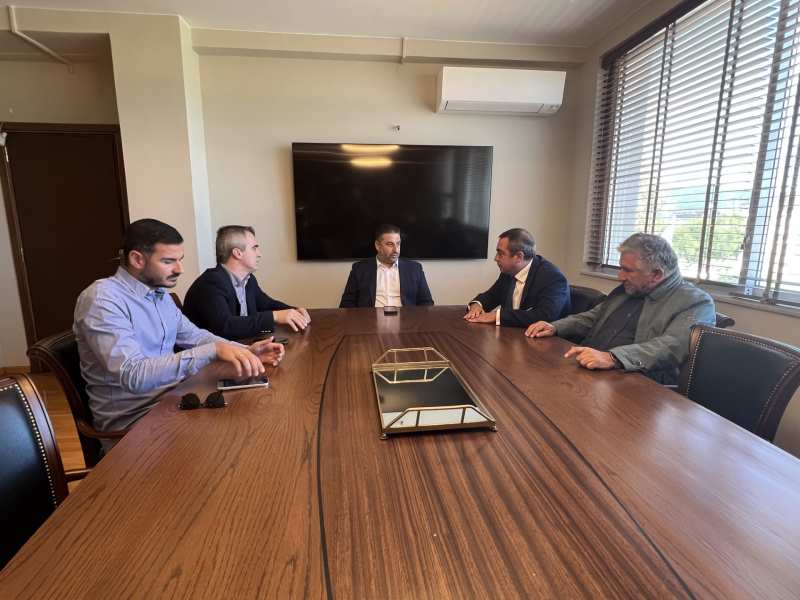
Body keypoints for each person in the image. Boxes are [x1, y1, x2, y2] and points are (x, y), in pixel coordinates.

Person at [73, 219, 285, 446]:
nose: (179, 269)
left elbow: (195, 336)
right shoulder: (102, 299)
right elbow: (133, 375)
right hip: (134, 427)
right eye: (168, 261)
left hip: (172, 401)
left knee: (257, 419)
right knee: (241, 438)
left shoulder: (159, 294)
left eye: (180, 260)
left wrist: (245, 351)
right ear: (137, 259)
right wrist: (213, 351)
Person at [525, 232, 715, 385]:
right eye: (620, 268)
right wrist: (555, 326)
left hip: (636, 386)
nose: (620, 276)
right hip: (588, 370)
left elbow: (671, 346)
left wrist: (613, 358)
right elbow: (594, 317)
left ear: (657, 274)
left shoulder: (695, 302)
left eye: (628, 270)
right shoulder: (628, 289)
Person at [183, 225, 311, 338]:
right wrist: (275, 316)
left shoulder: (248, 280)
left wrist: (294, 311)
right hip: (209, 356)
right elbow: (225, 327)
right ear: (237, 253)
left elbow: (266, 304)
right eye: (254, 248)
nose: (259, 254)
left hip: (239, 348)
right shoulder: (211, 283)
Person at [465, 228, 570, 327]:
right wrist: (477, 305)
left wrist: (497, 316)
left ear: (519, 257)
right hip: (511, 334)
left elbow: (545, 315)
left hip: (544, 338)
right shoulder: (508, 271)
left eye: (501, 254)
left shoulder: (552, 278)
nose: (496, 258)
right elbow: (491, 296)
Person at [339, 224, 434, 308]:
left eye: (398, 244)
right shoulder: (359, 269)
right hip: (370, 320)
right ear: (377, 245)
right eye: (390, 244)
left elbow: (427, 303)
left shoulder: (414, 269)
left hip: (406, 320)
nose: (396, 250)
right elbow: (346, 304)